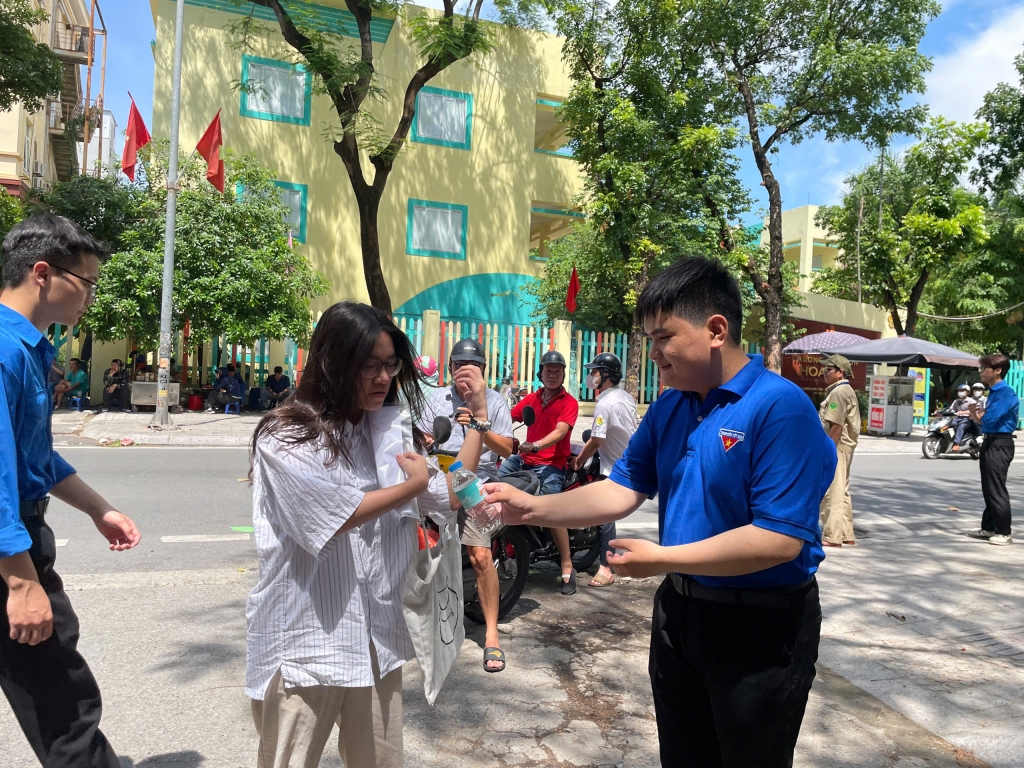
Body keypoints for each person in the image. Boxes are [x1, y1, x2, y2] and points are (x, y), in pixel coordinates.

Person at [485, 257, 836, 767]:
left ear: (716, 330)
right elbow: (619, 491)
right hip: (681, 614)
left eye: (663, 337)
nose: (653, 354)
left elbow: (779, 539)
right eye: (650, 339)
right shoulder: (671, 407)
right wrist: (534, 506)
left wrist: (664, 558)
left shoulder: (779, 407)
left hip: (761, 624)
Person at [246, 300, 488, 768]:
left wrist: (477, 419)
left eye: (390, 366)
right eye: (369, 366)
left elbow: (451, 495)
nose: (382, 378)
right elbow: (332, 518)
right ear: (334, 363)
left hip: (376, 640)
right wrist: (411, 487)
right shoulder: (286, 436)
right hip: (307, 645)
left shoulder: (388, 431)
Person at [0, 214, 141, 767]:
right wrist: (21, 582)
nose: (91, 297)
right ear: (42, 273)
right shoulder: (6, 351)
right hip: (13, 550)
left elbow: (34, 458)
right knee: (67, 710)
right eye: (87, 282)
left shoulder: (26, 348)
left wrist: (98, 509)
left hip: (21, 539)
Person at [419, 338, 514, 672]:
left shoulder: (494, 401)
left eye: (472, 366)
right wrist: (428, 439)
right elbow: (422, 438)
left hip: (476, 481)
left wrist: (478, 425)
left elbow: (507, 450)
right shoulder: (436, 398)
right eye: (459, 365)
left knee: (480, 555)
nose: (465, 371)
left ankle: (491, 634)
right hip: (440, 475)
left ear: (483, 370)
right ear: (450, 367)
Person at [497, 349, 580, 594]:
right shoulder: (532, 399)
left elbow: (561, 431)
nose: (552, 375)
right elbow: (508, 419)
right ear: (540, 374)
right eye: (548, 371)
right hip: (523, 459)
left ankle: (567, 563)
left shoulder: (569, 402)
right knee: (492, 485)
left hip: (551, 463)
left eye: (557, 371)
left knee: (549, 510)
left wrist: (536, 444)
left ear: (563, 375)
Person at [569, 352, 638, 587]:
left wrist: (578, 461)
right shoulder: (623, 396)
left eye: (594, 372)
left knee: (604, 514)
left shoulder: (604, 404)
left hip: (615, 466)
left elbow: (596, 441)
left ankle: (607, 567)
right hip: (627, 455)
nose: (591, 376)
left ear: (606, 375)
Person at [966, 353, 1019, 546]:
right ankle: (989, 528)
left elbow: (990, 419)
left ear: (997, 371)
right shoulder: (994, 393)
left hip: (1000, 443)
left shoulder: (1005, 393)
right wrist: (978, 415)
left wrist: (980, 415)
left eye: (984, 368)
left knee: (996, 487)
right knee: (988, 487)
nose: (981, 372)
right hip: (991, 441)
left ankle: (1004, 532)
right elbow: (985, 419)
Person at [817, 354, 861, 547]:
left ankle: (832, 536)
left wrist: (827, 451)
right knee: (842, 491)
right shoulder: (845, 390)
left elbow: (836, 425)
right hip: (845, 447)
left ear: (840, 372)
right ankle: (845, 534)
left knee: (832, 491)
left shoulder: (838, 393)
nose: (824, 373)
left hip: (837, 447)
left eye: (828, 370)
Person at [950, 384, 976, 451]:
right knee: (950, 425)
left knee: (961, 426)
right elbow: (951, 409)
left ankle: (957, 443)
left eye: (962, 390)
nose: (960, 392)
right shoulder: (956, 401)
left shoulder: (971, 401)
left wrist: (963, 412)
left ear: (967, 392)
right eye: (959, 390)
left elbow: (972, 411)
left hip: (967, 419)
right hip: (957, 418)